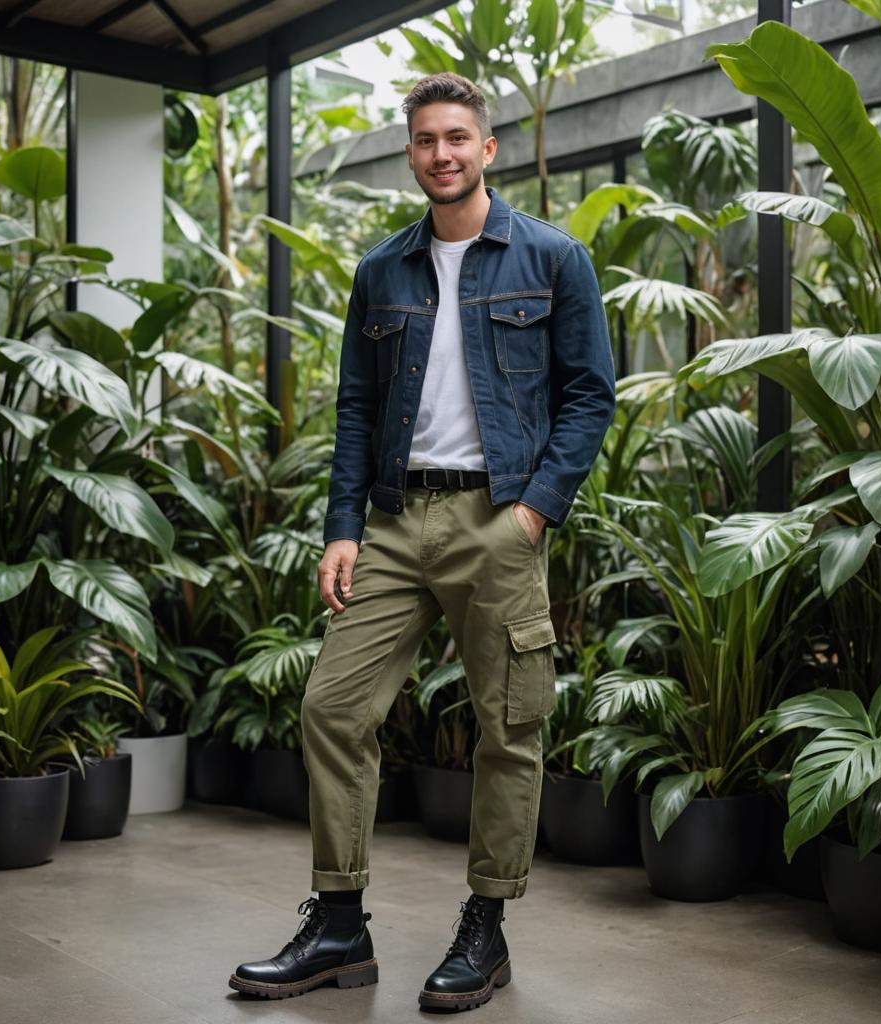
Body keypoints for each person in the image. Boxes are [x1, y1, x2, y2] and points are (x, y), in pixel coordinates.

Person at [229, 71, 615, 1012]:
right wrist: (342, 528)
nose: (440, 153)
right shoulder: (381, 271)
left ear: (487, 148)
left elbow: (590, 393)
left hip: (500, 517)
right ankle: (338, 924)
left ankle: (485, 929)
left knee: (507, 727)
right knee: (332, 706)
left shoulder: (554, 259)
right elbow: (356, 408)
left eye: (456, 138)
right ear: (411, 153)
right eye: (424, 139)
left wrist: (532, 515)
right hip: (398, 522)